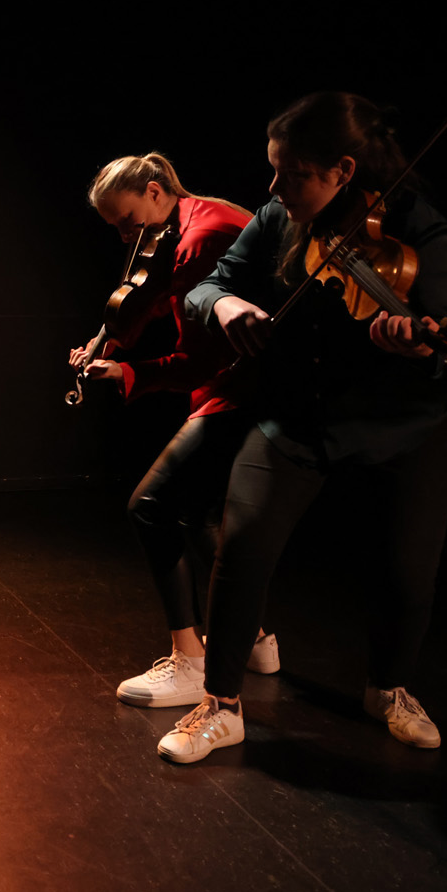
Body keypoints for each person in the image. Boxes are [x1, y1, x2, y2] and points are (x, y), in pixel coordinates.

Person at [159, 91, 447, 763]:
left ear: (343, 171)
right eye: (274, 170)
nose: (274, 188)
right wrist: (228, 304)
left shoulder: (419, 228)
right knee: (242, 547)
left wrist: (415, 340)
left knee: (407, 572)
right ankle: (221, 706)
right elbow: (207, 286)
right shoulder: (279, 217)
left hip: (402, 422)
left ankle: (388, 689)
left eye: (293, 174)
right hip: (299, 414)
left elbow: (445, 330)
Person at [74, 153, 276, 710]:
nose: (125, 237)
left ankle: (190, 660)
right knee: (198, 513)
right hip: (240, 386)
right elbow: (151, 297)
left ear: (155, 191)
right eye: (116, 228)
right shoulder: (189, 221)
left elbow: (196, 361)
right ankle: (255, 640)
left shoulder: (201, 238)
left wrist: (127, 372)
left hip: (244, 391)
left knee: (150, 506)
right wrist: (104, 340)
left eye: (127, 221)